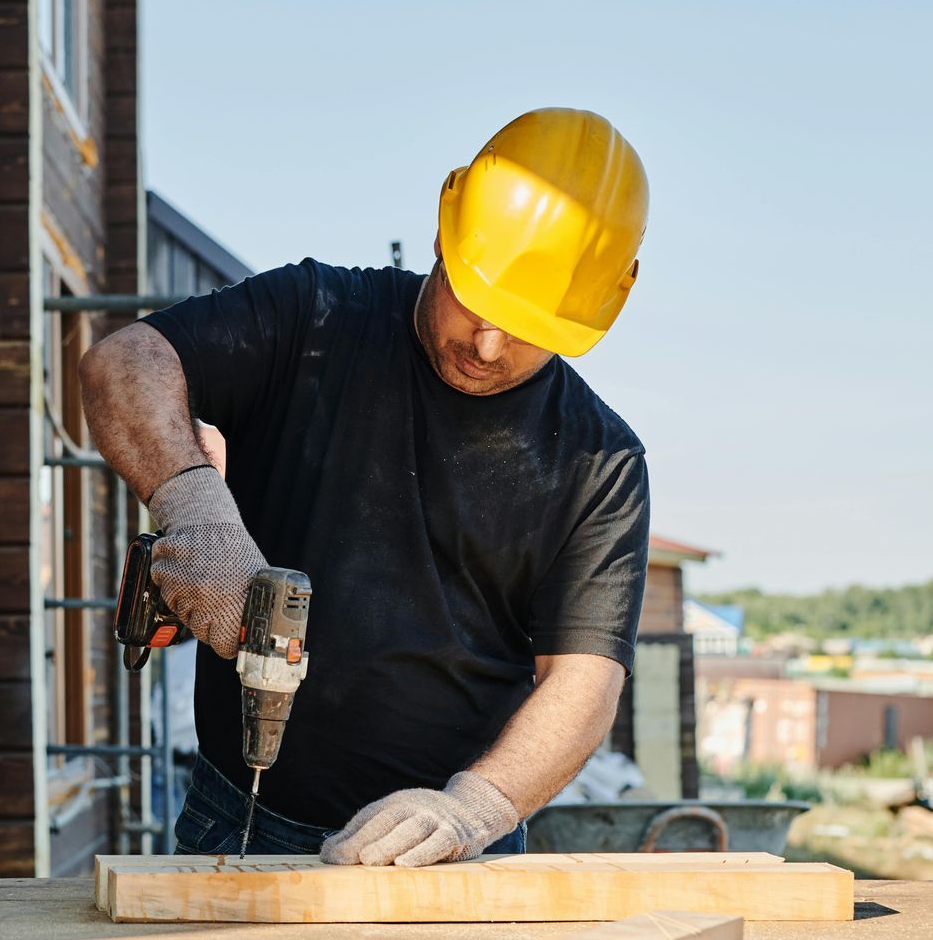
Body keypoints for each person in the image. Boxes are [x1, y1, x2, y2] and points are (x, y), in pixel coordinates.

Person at [80, 108, 652, 867]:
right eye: (476, 302)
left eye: (526, 325)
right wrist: (193, 505)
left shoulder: (599, 460)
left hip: (452, 847)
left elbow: (583, 686)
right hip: (243, 817)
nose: (488, 344)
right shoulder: (314, 319)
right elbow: (125, 362)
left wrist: (473, 809)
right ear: (445, 236)